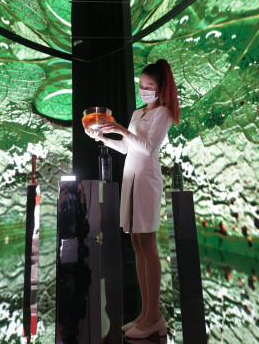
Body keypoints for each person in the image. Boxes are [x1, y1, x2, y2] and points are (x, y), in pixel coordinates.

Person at [85, 59, 180, 339]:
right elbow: (127, 147)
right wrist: (103, 137)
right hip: (131, 179)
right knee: (138, 244)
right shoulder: (139, 112)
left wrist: (122, 129)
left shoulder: (163, 113)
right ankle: (146, 313)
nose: (144, 91)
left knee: (147, 244)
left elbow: (149, 148)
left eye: (149, 86)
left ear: (161, 88)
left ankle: (154, 316)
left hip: (147, 182)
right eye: (141, 86)